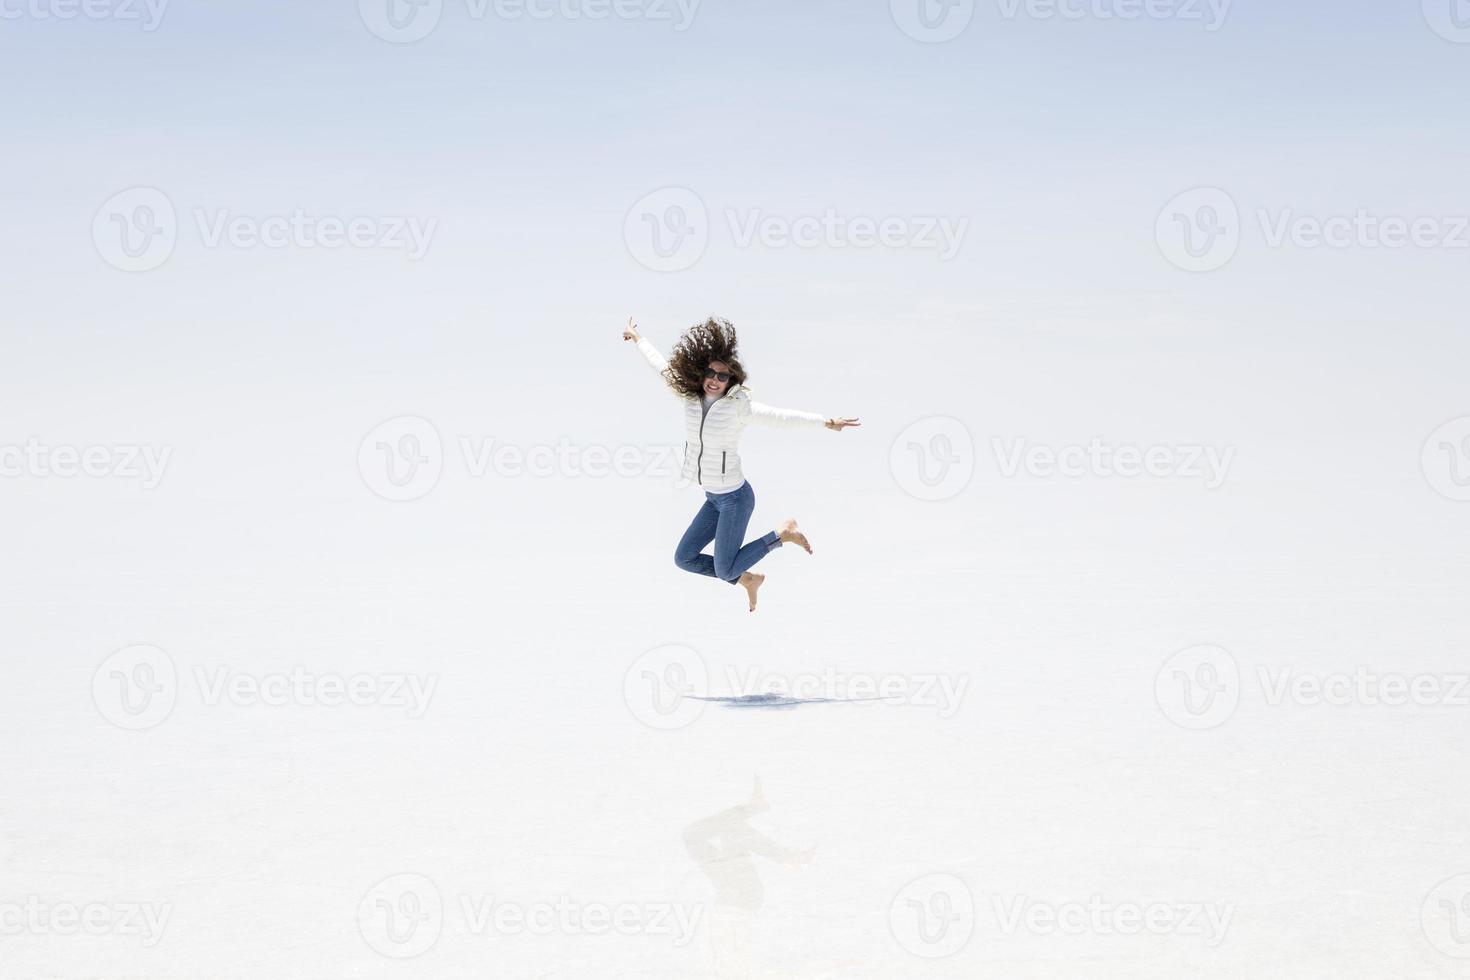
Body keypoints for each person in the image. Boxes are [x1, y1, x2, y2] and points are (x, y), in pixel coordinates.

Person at [624, 316, 860, 611]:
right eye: (710, 372)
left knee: (724, 569)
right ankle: (747, 580)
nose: (715, 380)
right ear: (701, 371)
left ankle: (782, 535)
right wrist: (637, 338)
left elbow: (782, 418)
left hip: (735, 498)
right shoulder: (690, 397)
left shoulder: (739, 408)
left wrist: (826, 422)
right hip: (713, 498)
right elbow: (662, 368)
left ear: (730, 381)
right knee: (683, 558)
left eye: (723, 376)